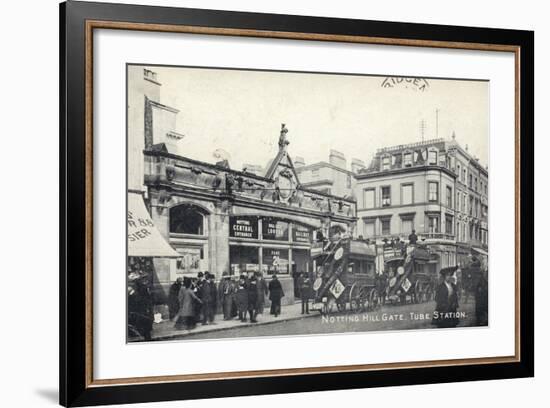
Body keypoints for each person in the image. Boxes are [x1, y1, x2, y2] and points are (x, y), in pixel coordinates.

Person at [128, 273, 154, 340]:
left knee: (145, 328)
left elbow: (143, 299)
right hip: (140, 310)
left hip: (141, 310)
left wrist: (132, 294)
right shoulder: (138, 287)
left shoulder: (140, 288)